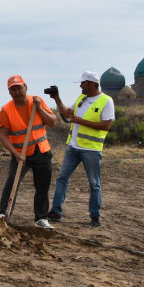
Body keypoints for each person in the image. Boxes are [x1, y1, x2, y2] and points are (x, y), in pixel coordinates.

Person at [48, 71, 114, 227]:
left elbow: (106, 125)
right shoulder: (81, 99)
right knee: (62, 178)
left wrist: (82, 122)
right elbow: (67, 113)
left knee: (94, 183)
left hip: (91, 149)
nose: (80, 86)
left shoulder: (106, 101)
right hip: (73, 147)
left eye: (83, 83)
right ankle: (56, 212)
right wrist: (57, 98)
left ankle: (95, 216)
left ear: (91, 84)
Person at [0, 75, 57, 229]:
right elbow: (2, 134)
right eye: (13, 89)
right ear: (9, 92)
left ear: (25, 87)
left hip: (41, 150)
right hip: (20, 154)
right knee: (11, 183)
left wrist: (40, 108)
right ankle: (4, 213)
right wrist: (14, 153)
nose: (16, 92)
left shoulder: (37, 102)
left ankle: (41, 218)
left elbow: (52, 122)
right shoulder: (6, 110)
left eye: (19, 87)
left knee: (42, 185)